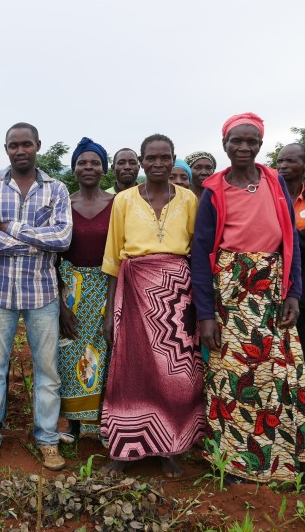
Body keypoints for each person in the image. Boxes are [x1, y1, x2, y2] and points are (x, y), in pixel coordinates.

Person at [193, 113, 305, 482]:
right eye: (236, 141)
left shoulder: (275, 182)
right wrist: (206, 314)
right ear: (224, 144)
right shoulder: (214, 190)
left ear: (260, 145)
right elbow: (201, 252)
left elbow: (291, 242)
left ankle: (282, 460)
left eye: (251, 142)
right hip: (232, 295)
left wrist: (293, 292)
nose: (243, 147)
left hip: (273, 291)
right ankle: (236, 463)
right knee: (233, 376)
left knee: (281, 374)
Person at [101, 134, 204, 478]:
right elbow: (114, 256)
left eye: (165, 158)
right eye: (151, 158)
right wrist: (108, 312)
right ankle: (125, 449)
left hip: (176, 296)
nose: (158, 163)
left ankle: (169, 448)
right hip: (132, 291)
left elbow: (197, 253)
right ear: (142, 161)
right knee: (130, 370)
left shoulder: (189, 199)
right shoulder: (124, 201)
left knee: (178, 375)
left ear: (173, 159)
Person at [0, 122, 72, 471]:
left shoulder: (57, 189)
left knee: (47, 370)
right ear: (6, 149)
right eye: (13, 145)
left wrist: (12, 229)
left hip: (42, 292)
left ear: (37, 146)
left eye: (26, 144)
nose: (20, 150)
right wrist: (35, 242)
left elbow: (62, 239)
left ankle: (47, 439)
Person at [57, 138, 114, 444]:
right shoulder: (62, 203)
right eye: (82, 162)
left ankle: (100, 424)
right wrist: (61, 304)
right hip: (70, 287)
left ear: (104, 168)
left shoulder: (117, 205)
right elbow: (51, 256)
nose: (88, 167)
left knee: (104, 354)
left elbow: (120, 253)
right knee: (69, 354)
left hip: (106, 285)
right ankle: (74, 426)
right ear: (74, 168)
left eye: (94, 162)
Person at [277, 143, 305, 352]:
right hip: (278, 283)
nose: (283, 166)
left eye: (290, 161)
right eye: (280, 161)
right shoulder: (269, 198)